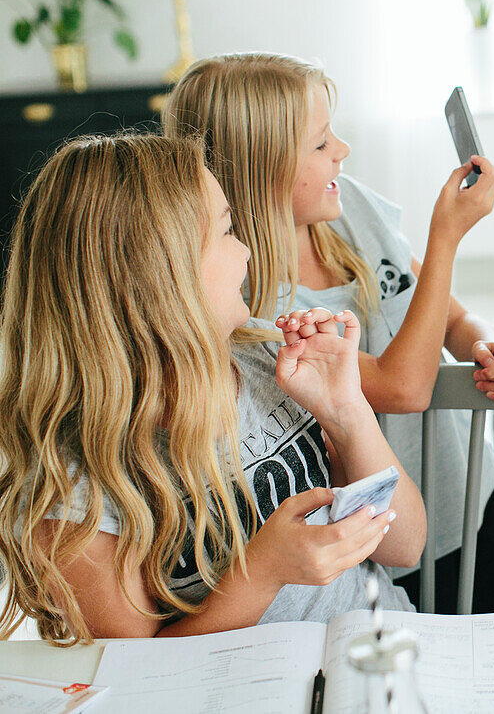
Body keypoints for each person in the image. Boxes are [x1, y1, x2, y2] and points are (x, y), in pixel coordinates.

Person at [163, 53, 494, 622]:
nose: (342, 152)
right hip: (391, 539)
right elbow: (404, 388)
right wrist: (447, 234)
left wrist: (486, 343)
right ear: (264, 164)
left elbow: (449, 317)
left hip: (469, 494)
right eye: (321, 142)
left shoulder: (350, 208)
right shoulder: (244, 308)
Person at [0, 134, 426, 643]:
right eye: (227, 232)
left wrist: (346, 411)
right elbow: (138, 670)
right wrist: (261, 573)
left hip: (379, 650)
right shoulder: (71, 481)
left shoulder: (268, 358)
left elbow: (405, 546)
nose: (247, 250)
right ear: (161, 276)